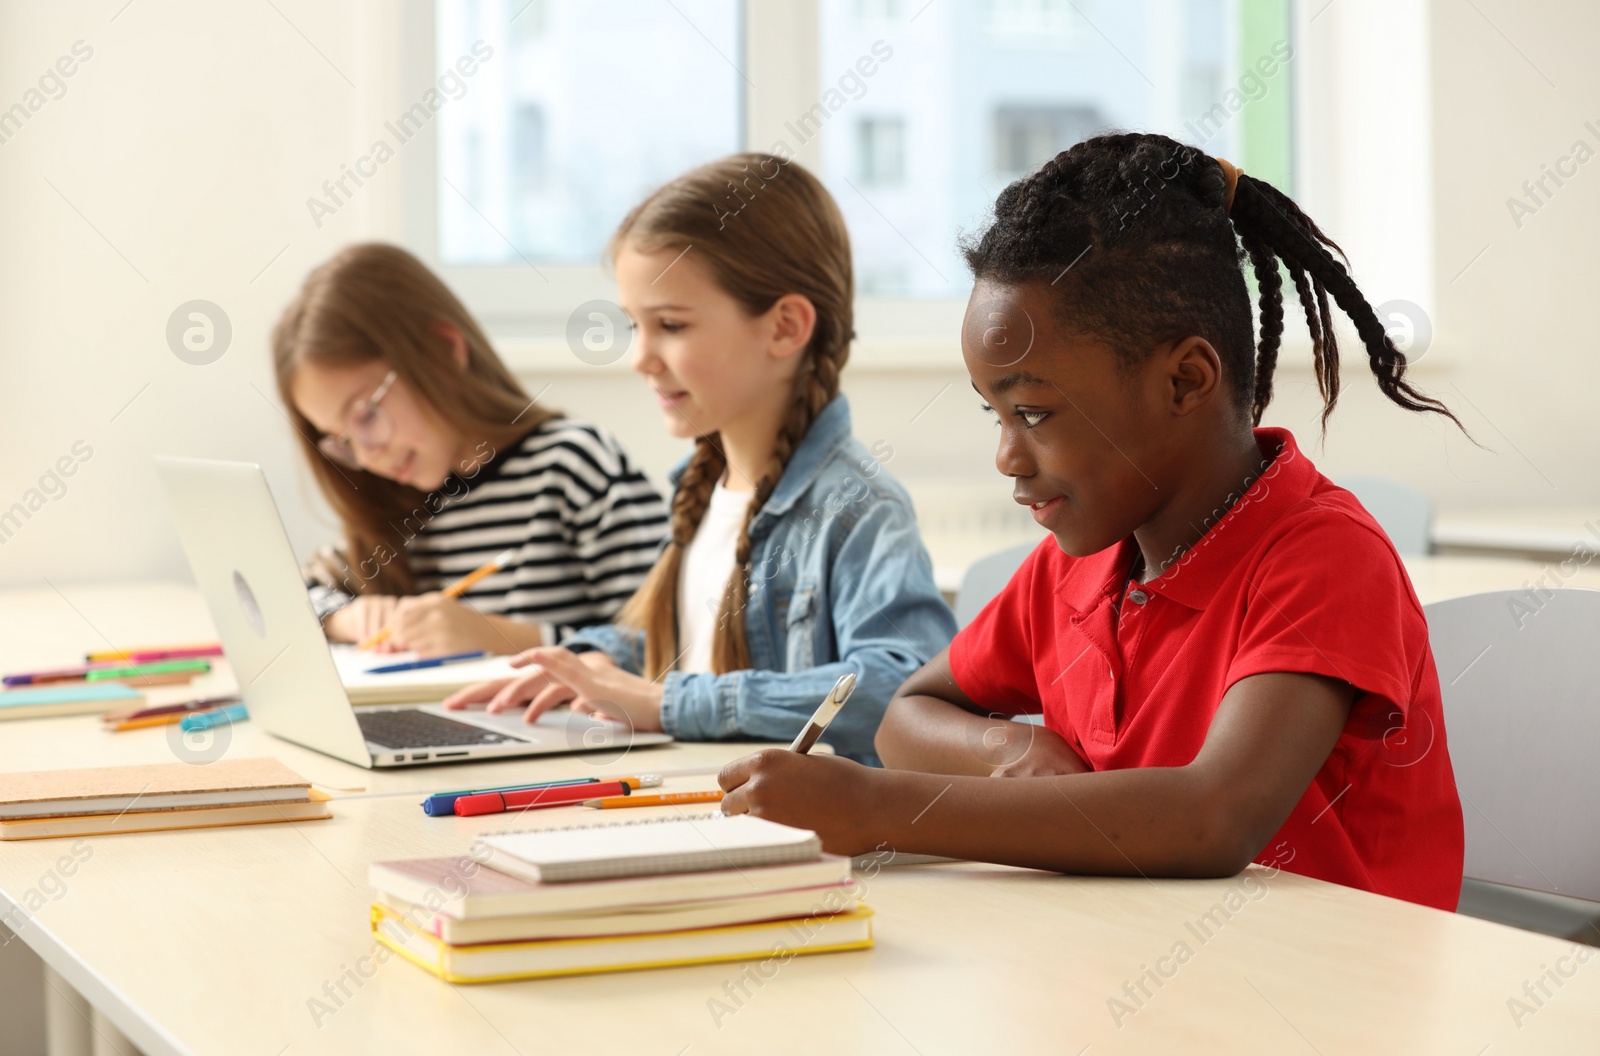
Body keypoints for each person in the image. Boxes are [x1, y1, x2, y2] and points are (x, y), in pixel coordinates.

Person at [717, 134, 1466, 908]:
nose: (1007, 455)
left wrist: (877, 809)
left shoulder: (1324, 558)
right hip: (1137, 977)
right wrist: (1011, 745)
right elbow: (906, 715)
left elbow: (1213, 817)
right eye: (995, 414)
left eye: (1034, 411)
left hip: (1337, 997)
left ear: (1186, 381)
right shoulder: (1078, 564)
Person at [446, 154, 957, 763]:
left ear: (785, 327)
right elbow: (696, 643)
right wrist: (596, 660)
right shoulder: (703, 488)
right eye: (636, 325)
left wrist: (668, 706)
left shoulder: (857, 508)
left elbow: (901, 693)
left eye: (670, 324)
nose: (640, 358)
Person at [273, 242, 668, 656]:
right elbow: (291, 592)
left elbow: (662, 643)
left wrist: (499, 640)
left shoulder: (574, 465)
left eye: (366, 417)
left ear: (442, 351)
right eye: (342, 440)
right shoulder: (398, 504)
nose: (367, 458)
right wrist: (345, 618)